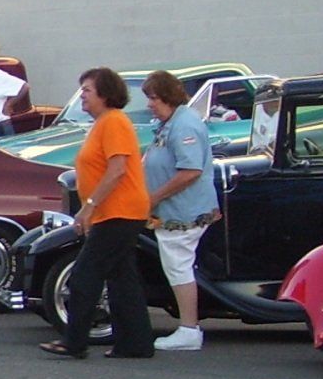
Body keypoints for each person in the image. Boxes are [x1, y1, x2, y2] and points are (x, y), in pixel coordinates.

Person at [40, 67, 155, 359]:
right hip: (114, 213)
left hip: (120, 211)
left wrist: (88, 207)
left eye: (87, 91)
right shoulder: (103, 124)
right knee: (122, 279)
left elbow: (117, 169)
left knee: (84, 274)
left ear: (105, 93)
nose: (83, 98)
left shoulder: (114, 122)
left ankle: (74, 341)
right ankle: (136, 343)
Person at [141, 69, 219, 352]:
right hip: (173, 210)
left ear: (166, 96)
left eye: (152, 98)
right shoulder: (171, 122)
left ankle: (189, 329)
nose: (149, 104)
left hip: (182, 213)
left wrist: (153, 197)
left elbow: (190, 171)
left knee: (178, 265)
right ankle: (188, 328)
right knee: (177, 265)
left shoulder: (184, 125)